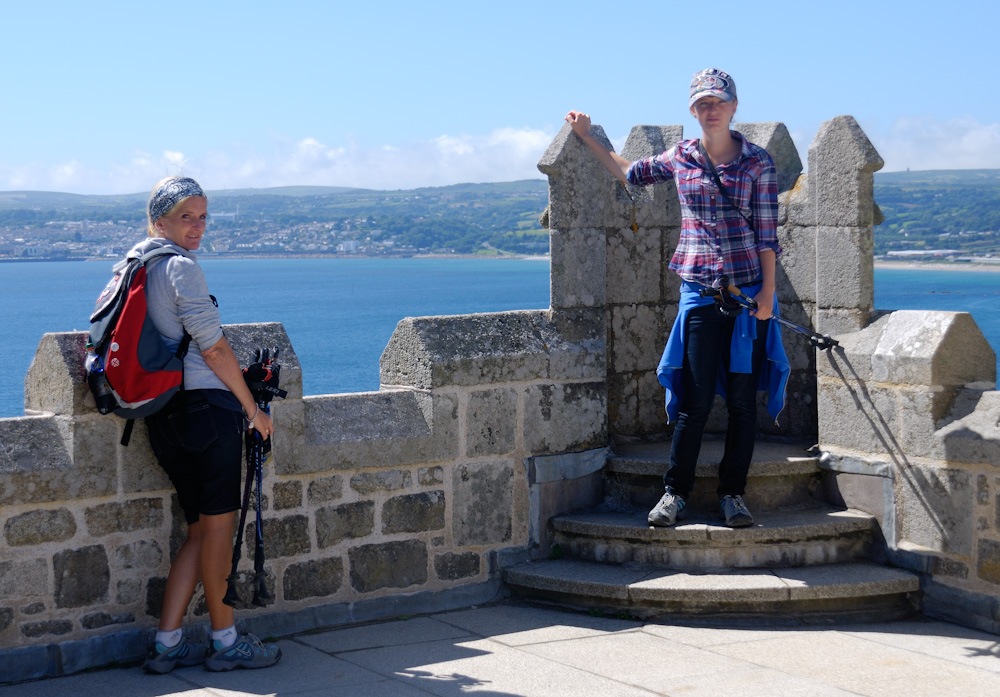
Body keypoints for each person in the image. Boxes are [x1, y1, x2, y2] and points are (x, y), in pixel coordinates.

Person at [565, 68, 787, 529]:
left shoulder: (759, 163)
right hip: (702, 294)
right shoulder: (681, 157)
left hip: (747, 300)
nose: (711, 109)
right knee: (696, 399)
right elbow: (630, 172)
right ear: (693, 109)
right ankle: (674, 493)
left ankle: (733, 496)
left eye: (718, 102)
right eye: (702, 103)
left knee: (744, 402)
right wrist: (587, 136)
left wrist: (767, 293)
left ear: (733, 106)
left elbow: (768, 236)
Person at [137, 176, 282, 673]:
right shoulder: (180, 268)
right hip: (206, 413)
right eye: (185, 217)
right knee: (220, 530)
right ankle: (226, 641)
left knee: (198, 531)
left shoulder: (136, 265)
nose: (196, 227)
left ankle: (166, 642)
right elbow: (214, 348)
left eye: (202, 217)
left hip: (162, 414)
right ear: (160, 220)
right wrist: (253, 410)